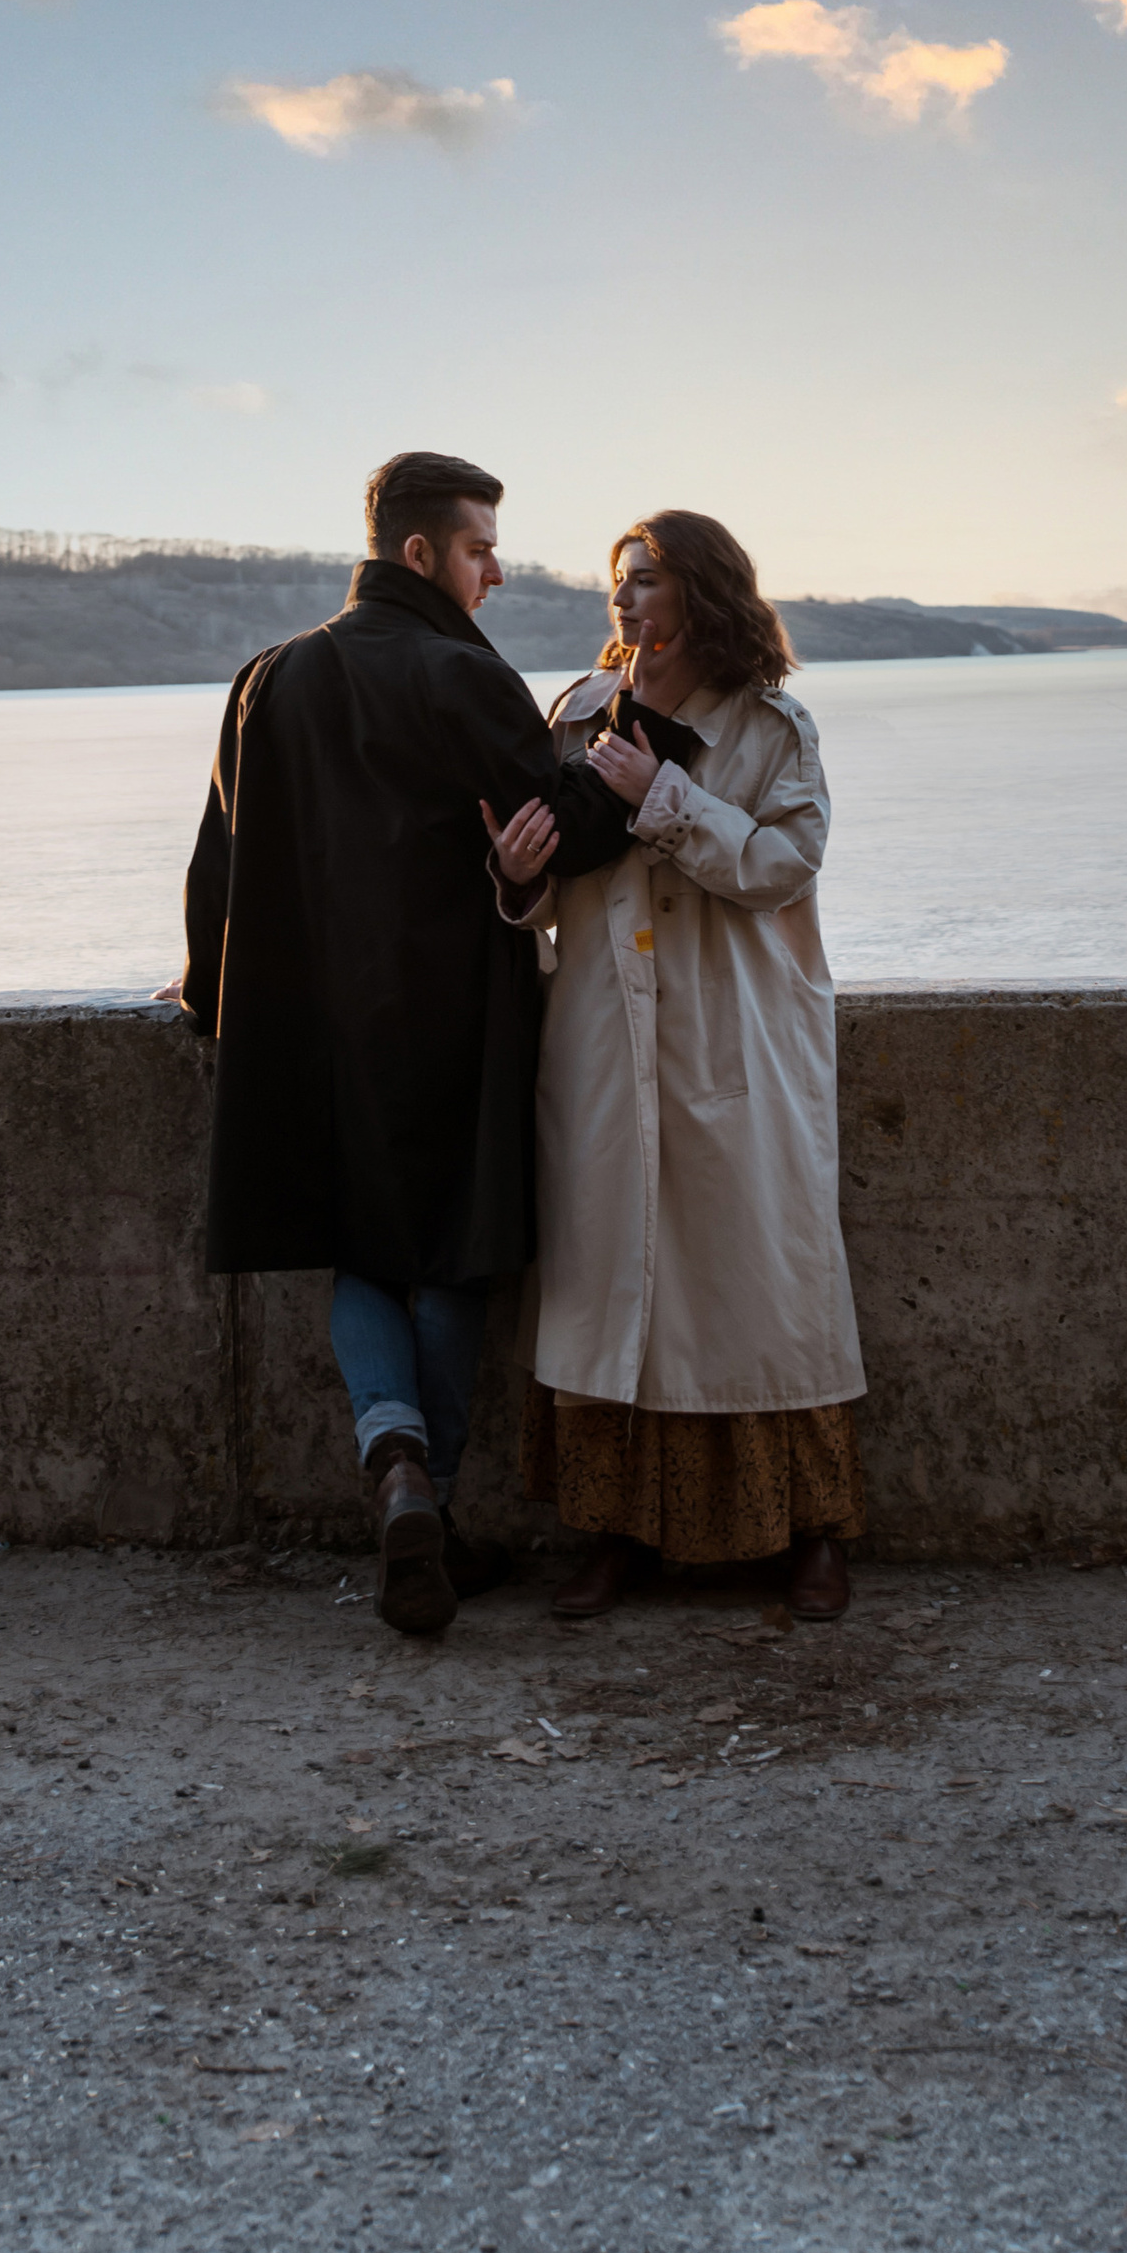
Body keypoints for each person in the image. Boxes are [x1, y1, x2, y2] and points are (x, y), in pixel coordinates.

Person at [180, 452, 628, 1637]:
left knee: (361, 1253)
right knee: (455, 1251)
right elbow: (556, 830)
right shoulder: (460, 674)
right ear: (419, 553)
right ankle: (425, 1491)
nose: (496, 570)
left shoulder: (266, 677)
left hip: (309, 1027)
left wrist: (207, 997)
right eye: (481, 547)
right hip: (449, 1016)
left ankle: (395, 1471)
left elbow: (218, 863)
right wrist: (634, 771)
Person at [492, 512, 865, 1624]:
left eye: (645, 581)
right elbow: (551, 895)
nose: (624, 601)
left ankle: (811, 1532)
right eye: (620, 582)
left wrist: (663, 798)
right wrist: (515, 880)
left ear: (703, 594)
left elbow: (785, 864)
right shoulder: (576, 718)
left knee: (760, 1277)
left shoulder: (769, 728)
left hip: (733, 1031)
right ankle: (613, 1535)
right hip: (605, 1034)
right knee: (614, 1278)